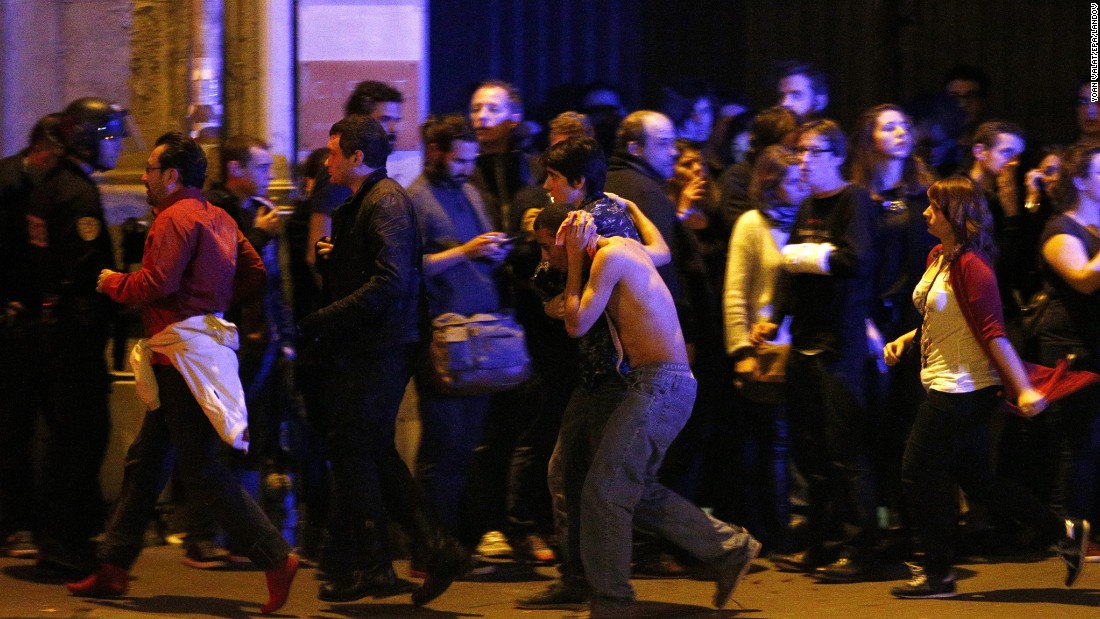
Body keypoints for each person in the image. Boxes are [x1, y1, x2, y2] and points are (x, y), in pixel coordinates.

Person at [68, 131, 299, 614]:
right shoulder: (218, 216)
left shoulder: (173, 218)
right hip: (194, 349)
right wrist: (212, 305)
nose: (146, 178)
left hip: (179, 355)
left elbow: (157, 282)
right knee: (146, 463)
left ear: (171, 176)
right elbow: (253, 271)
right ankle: (113, 566)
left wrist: (113, 283)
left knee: (202, 468)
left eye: (150, 170)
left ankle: (275, 557)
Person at [535, 204, 761, 617]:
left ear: (569, 239)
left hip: (662, 384)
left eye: (548, 247)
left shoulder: (610, 256)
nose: (545, 257)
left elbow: (576, 324)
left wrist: (571, 267)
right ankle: (731, 549)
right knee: (627, 488)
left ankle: (613, 603)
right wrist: (635, 208)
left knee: (603, 490)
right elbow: (662, 247)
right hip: (655, 384)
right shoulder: (626, 248)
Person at [883, 176, 1092, 598]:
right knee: (976, 479)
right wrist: (909, 338)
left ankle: (938, 573)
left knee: (917, 470)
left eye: (935, 208)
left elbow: (994, 332)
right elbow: (943, 315)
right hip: (947, 380)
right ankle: (1063, 530)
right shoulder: (939, 257)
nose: (926, 213)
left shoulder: (973, 266)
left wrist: (1025, 389)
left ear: (956, 216)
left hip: (962, 387)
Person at [297, 114, 468, 606]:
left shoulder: (387, 200)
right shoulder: (369, 200)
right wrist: (337, 257)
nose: (326, 161)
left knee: (354, 442)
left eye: (333, 153)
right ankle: (414, 553)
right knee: (365, 447)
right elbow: (373, 266)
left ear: (356, 156)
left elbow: (392, 282)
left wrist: (326, 317)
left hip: (382, 346)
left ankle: (391, 558)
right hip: (371, 345)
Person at [759, 120, 880, 582]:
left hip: (839, 346)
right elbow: (790, 272)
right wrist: (776, 318)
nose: (801, 161)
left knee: (845, 451)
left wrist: (807, 258)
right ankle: (822, 543)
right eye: (799, 152)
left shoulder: (854, 203)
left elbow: (855, 260)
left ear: (835, 156)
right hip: (805, 342)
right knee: (809, 451)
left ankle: (860, 549)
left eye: (810, 152)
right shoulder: (809, 204)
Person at [25, 98, 125, 576]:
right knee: (81, 435)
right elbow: (89, 271)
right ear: (87, 138)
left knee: (69, 434)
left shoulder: (50, 185)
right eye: (111, 136)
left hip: (53, 324)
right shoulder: (78, 195)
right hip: (76, 329)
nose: (118, 146)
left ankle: (62, 535)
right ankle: (64, 541)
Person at [406, 114, 510, 553]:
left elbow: (481, 251)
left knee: (470, 447)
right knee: (442, 449)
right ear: (435, 152)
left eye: (472, 158)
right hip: (443, 339)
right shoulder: (415, 199)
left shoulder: (469, 190)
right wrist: (466, 250)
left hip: (482, 334)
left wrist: (494, 250)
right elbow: (411, 269)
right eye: (460, 159)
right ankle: (429, 549)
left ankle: (458, 542)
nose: (468, 167)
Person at [721, 145, 810, 553]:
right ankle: (776, 529)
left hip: (804, 348)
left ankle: (798, 521)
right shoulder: (752, 224)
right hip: (767, 350)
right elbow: (736, 293)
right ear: (772, 184)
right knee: (772, 441)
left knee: (797, 439)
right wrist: (740, 352)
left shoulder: (808, 223)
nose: (803, 184)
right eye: (793, 179)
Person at [0, 113, 65, 559]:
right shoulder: (10, 185)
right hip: (13, 320)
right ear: (44, 151)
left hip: (29, 318)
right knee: (14, 423)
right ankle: (14, 522)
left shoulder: (31, 181)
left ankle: (29, 520)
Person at [1035, 144, 1100, 556]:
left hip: (1093, 344)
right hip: (1069, 348)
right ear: (1079, 180)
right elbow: (1083, 279)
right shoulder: (1061, 229)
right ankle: (1070, 532)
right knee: (1077, 443)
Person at [307, 80, 404, 278]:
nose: (393, 129)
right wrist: (340, 306)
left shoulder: (366, 170)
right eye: (384, 119)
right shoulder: (338, 173)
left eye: (397, 120)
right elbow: (316, 255)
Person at [469, 79, 537, 233]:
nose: (481, 116)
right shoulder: (464, 171)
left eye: (493, 109)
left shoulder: (535, 168)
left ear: (514, 117)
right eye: (475, 109)